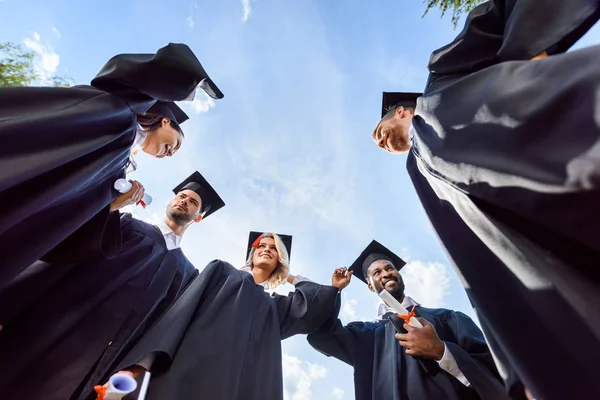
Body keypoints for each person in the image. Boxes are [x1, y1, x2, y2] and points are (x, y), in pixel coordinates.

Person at [370, 2, 600, 399]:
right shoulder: (421, 175)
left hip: (578, 130)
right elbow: (485, 265)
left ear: (400, 110)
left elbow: (494, 17)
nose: (381, 139)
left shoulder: (444, 79)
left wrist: (531, 48)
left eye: (381, 126)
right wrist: (528, 366)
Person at [0, 42, 224, 289]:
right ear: (166, 121)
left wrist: (115, 204)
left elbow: (63, 222)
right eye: (176, 144)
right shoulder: (116, 112)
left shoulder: (120, 162)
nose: (170, 153)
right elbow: (140, 71)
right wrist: (191, 81)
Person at [0, 171, 225, 400]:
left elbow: (163, 328)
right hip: (56, 327)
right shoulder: (125, 225)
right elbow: (65, 260)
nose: (184, 201)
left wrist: (131, 374)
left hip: (105, 359)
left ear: (198, 217)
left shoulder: (188, 273)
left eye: (193, 202)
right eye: (181, 196)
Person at [104, 231, 350, 400]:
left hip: (245, 387)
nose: (266, 250)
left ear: (280, 261)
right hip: (188, 374)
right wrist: (136, 368)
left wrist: (296, 278)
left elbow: (314, 306)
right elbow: (179, 315)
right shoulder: (221, 272)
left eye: (273, 249)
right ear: (251, 255)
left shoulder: (275, 308)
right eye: (261, 246)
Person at [308, 240, 510, 400]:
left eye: (389, 268)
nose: (386, 273)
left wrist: (441, 351)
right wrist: (334, 290)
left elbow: (493, 369)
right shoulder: (364, 336)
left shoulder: (447, 317)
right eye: (377, 272)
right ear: (370, 286)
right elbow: (321, 336)